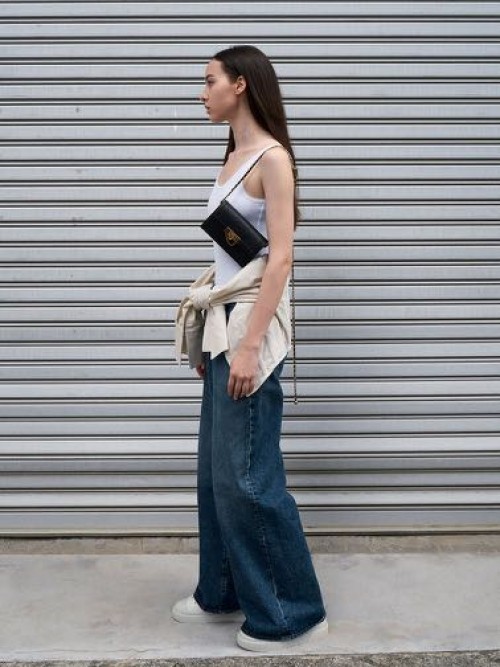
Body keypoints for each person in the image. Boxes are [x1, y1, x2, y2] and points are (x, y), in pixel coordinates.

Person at [172, 45, 328, 652]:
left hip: (251, 326)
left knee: (249, 477)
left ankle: (292, 614)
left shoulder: (273, 159)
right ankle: (223, 592)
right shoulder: (233, 155)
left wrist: (249, 346)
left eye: (209, 80)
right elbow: (232, 254)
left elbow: (281, 259)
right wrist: (210, 342)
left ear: (239, 85)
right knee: (216, 473)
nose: (202, 92)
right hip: (225, 322)